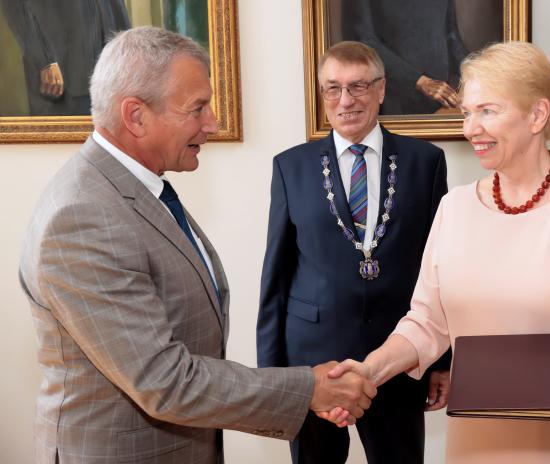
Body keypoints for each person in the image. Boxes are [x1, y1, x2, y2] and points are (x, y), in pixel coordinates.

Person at [18, 27, 375, 464]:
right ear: (136, 116)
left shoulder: (136, 189)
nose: (213, 124)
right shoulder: (85, 217)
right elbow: (165, 382)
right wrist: (310, 389)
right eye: (198, 108)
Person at [324, 41, 550, 463]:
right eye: (467, 112)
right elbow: (426, 323)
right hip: (477, 442)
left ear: (537, 115)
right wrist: (369, 370)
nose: (471, 128)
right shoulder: (454, 208)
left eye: (487, 111)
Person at [256, 41, 450, 464]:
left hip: (399, 358)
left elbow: (438, 271)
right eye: (333, 88)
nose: (346, 100)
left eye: (359, 86)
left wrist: (442, 362)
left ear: (381, 89)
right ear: (322, 94)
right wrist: (271, 376)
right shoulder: (291, 167)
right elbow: (276, 275)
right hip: (313, 365)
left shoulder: (425, 162)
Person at [0, 0, 131, 116]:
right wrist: (44, 61)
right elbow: (14, 6)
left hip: (109, 75)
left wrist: (127, 58)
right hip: (61, 78)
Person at [341, 0, 468, 115]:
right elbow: (363, 43)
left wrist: (472, 74)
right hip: (391, 102)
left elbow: (452, 36)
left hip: (441, 102)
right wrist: (420, 81)